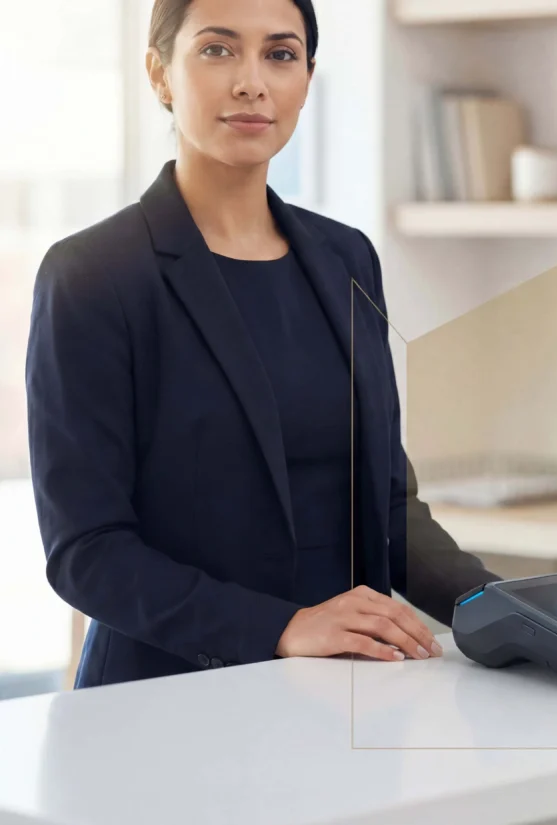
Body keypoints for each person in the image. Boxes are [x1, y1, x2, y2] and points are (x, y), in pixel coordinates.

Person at [24, 0, 500, 689]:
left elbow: (388, 509)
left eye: (280, 54)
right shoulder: (94, 274)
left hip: (345, 697)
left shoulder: (347, 259)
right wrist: (280, 626)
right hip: (166, 705)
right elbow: (87, 552)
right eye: (218, 51)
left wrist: (516, 613)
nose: (253, 82)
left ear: (307, 78)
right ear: (160, 73)